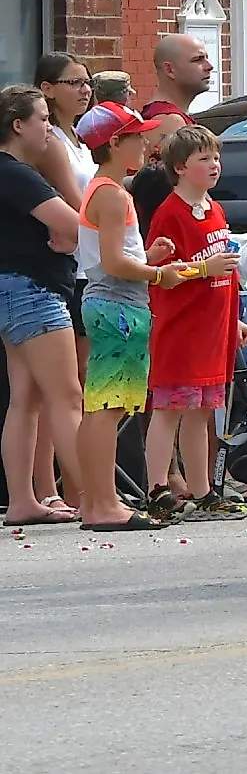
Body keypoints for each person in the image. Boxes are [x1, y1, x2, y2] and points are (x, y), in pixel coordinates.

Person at [70, 102, 185, 531]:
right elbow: (115, 264)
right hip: (117, 306)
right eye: (137, 137)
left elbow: (112, 257)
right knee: (106, 407)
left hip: (109, 302)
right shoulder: (114, 194)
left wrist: (148, 258)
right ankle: (101, 505)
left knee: (102, 407)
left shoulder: (103, 189)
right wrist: (158, 272)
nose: (146, 143)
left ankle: (97, 501)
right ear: (115, 143)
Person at [143, 123, 247, 519]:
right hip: (182, 327)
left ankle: (202, 490)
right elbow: (160, 273)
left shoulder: (215, 209)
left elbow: (228, 271)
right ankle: (158, 486)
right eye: (204, 159)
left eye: (216, 157)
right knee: (169, 407)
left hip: (213, 325)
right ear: (180, 167)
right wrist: (203, 268)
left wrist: (235, 317)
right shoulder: (170, 213)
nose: (214, 165)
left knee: (202, 410)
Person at [0, 85, 90, 527]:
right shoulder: (17, 173)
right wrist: (68, 233)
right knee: (67, 395)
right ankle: (97, 498)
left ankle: (23, 499)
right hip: (34, 289)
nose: (50, 129)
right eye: (43, 119)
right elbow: (72, 224)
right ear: (18, 125)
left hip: (11, 290)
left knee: (27, 399)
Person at [34, 54, 96, 202]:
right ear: (47, 89)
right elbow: (77, 204)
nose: (86, 90)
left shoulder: (77, 136)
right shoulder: (50, 140)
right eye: (75, 82)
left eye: (88, 82)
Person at [140, 34, 213, 122]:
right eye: (197, 59)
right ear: (169, 70)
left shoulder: (171, 116)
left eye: (206, 59)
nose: (209, 67)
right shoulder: (168, 119)